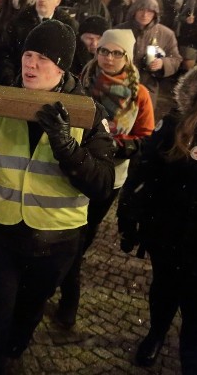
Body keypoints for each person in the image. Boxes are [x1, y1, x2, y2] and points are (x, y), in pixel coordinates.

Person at [0, 19, 115, 373]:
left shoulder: (88, 113)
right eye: (28, 54)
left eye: (42, 58)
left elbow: (103, 183)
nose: (30, 64)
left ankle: (15, 349)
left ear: (62, 66)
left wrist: (67, 147)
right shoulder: (4, 99)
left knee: (28, 311)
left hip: (55, 242)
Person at [54, 29, 154, 328]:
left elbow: (146, 136)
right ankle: (65, 291)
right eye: (104, 51)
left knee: (83, 233)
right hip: (74, 165)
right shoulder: (79, 81)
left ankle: (65, 287)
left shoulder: (139, 93)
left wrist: (121, 145)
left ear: (128, 56)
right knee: (70, 232)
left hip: (110, 175)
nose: (108, 58)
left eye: (116, 53)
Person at [117, 63, 197, 373]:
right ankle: (157, 332)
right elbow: (146, 170)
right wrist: (130, 212)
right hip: (171, 233)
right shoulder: (176, 124)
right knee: (165, 289)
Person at [116, 0, 181, 106]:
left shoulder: (166, 34)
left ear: (155, 14)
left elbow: (175, 59)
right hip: (119, 85)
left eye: (150, 11)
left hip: (148, 88)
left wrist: (162, 63)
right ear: (134, 11)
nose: (145, 15)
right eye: (141, 10)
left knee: (143, 120)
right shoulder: (119, 30)